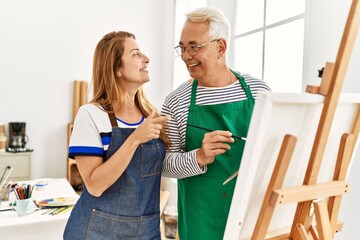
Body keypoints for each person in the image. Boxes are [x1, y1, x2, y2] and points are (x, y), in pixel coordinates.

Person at [161, 7, 271, 240]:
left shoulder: (260, 93)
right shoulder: (175, 102)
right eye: (182, 47)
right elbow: (165, 165)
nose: (185, 55)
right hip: (201, 220)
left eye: (194, 46)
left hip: (252, 218)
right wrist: (199, 156)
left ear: (220, 47)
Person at [63, 31, 171, 240]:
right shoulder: (91, 115)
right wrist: (135, 139)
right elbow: (94, 185)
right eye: (135, 54)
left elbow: (163, 166)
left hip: (145, 231)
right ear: (117, 68)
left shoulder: (151, 115)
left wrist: (200, 156)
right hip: (97, 232)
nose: (146, 59)